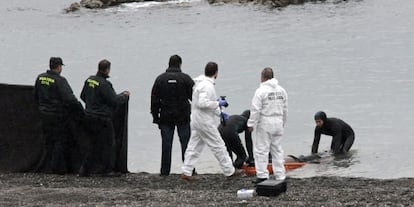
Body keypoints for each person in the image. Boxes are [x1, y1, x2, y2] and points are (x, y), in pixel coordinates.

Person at [181, 62, 245, 180]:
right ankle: (229, 171)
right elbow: (203, 103)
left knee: (194, 146)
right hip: (204, 121)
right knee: (218, 145)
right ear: (216, 73)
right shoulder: (207, 86)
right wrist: (218, 103)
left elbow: (204, 103)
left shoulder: (200, 83)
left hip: (196, 119)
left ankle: (186, 171)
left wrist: (220, 113)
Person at [78, 59, 130, 177]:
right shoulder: (105, 84)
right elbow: (114, 101)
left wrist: (92, 105)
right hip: (102, 119)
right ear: (107, 70)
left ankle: (84, 169)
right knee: (108, 143)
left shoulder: (89, 80)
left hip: (88, 116)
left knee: (92, 143)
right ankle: (107, 169)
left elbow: (82, 96)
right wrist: (124, 96)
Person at [34, 57, 84, 174]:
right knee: (59, 140)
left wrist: (41, 107)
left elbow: (35, 95)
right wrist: (81, 111)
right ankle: (57, 168)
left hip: (43, 113)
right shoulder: (60, 80)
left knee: (48, 140)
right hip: (57, 115)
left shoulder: (40, 78)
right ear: (59, 67)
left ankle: (46, 165)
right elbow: (70, 99)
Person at [151, 55, 195, 176]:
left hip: (165, 116)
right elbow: (194, 98)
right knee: (186, 144)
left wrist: (155, 117)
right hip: (183, 116)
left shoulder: (160, 79)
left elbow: (154, 100)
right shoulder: (185, 79)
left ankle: (165, 171)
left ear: (169, 64)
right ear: (180, 64)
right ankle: (189, 170)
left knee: (166, 144)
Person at [247, 67, 288, 183]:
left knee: (261, 150)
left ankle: (262, 175)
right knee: (277, 150)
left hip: (266, 122)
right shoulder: (281, 90)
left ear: (263, 77)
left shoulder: (261, 91)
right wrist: (283, 122)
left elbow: (255, 109)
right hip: (278, 121)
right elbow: (285, 108)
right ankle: (280, 175)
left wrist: (251, 123)